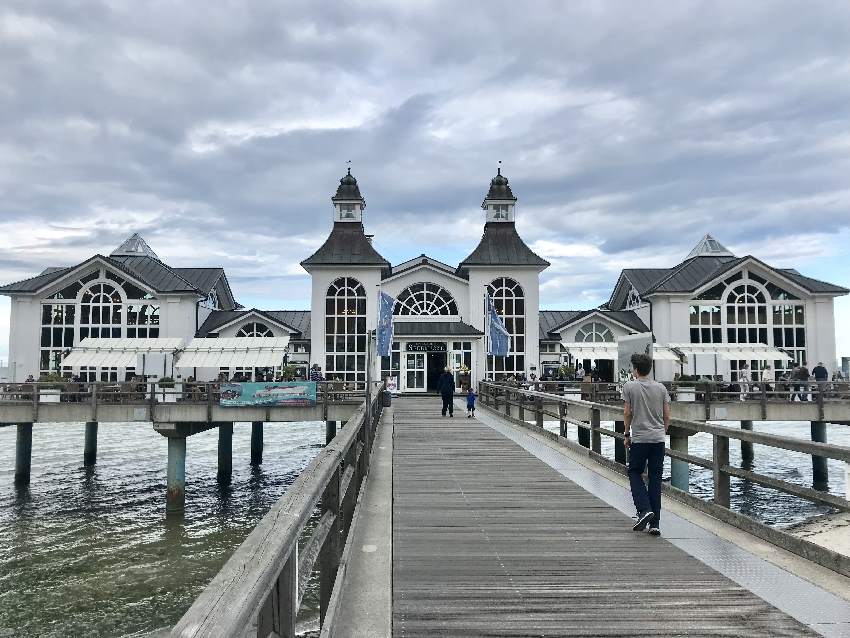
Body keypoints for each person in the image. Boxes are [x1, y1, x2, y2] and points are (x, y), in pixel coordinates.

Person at [623, 353, 670, 537]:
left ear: (635, 370)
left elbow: (627, 412)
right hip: (658, 439)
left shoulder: (630, 387)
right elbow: (667, 415)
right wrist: (662, 431)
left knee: (634, 472)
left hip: (640, 438)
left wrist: (627, 433)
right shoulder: (661, 388)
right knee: (655, 478)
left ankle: (644, 510)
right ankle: (655, 524)